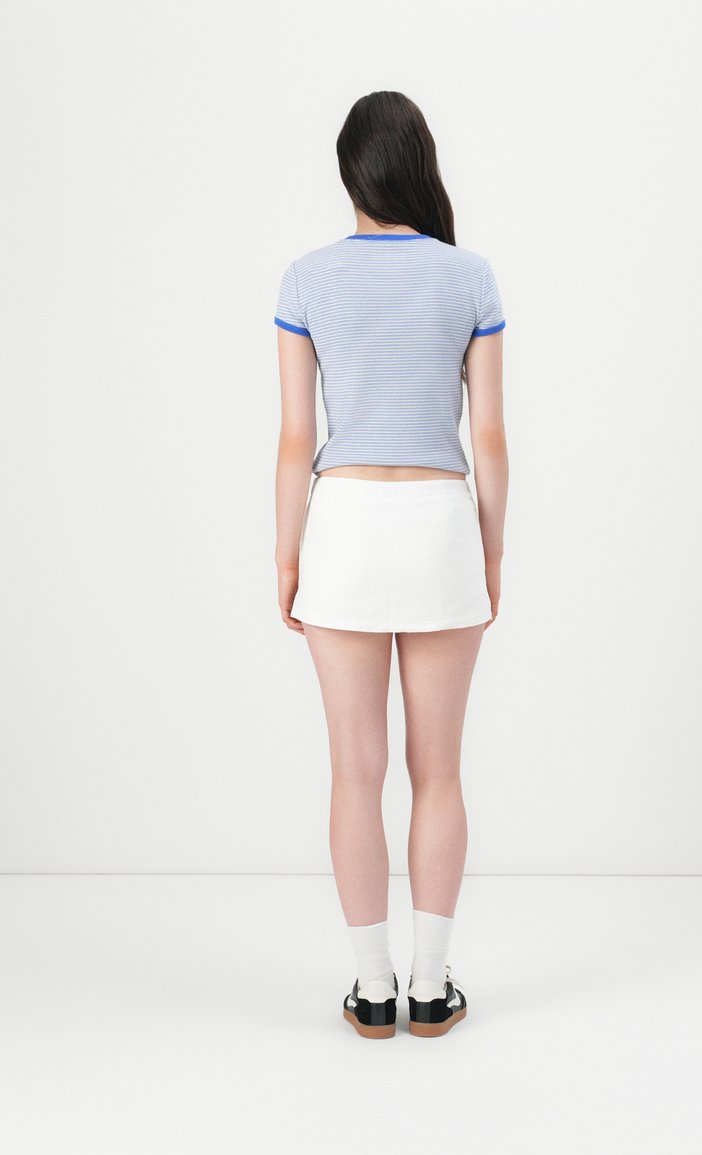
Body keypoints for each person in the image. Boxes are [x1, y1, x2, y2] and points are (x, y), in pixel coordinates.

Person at [273, 91, 508, 1038]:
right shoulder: (470, 277)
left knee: (354, 772)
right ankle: (431, 985)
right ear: (419, 164)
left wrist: (286, 555)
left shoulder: (306, 279)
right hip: (441, 525)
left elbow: (297, 440)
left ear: (349, 175)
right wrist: (492, 553)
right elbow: (489, 439)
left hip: (344, 527)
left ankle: (371, 990)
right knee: (438, 771)